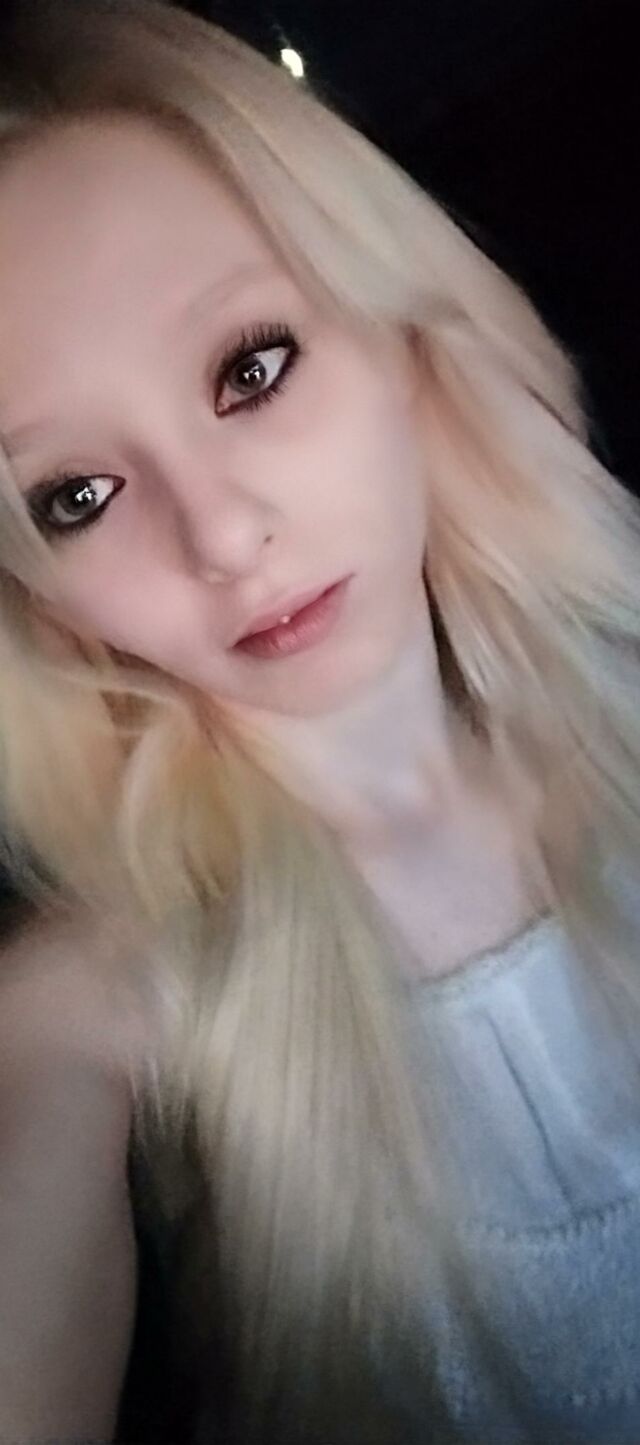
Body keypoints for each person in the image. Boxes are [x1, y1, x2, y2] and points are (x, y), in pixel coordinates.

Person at [1, 0, 639, 1440]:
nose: (224, 536)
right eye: (75, 496)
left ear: (398, 331)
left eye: (251, 367)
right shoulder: (97, 1007)